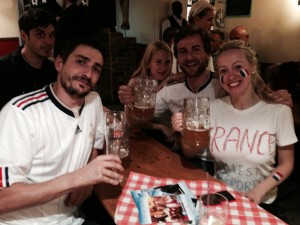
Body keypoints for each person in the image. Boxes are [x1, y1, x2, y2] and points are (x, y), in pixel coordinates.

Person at [119, 25, 293, 174]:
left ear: (208, 54)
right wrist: (130, 102)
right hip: (190, 159)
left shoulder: (227, 83)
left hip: (229, 164)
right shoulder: (170, 90)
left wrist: (277, 99)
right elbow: (135, 121)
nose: (189, 57)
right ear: (177, 59)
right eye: (183, 52)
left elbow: (258, 97)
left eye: (196, 49)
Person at [0, 37, 124, 224]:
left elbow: (94, 147)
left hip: (73, 217)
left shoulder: (94, 101)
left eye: (96, 69)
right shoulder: (20, 113)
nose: (88, 73)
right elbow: (3, 199)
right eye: (81, 62)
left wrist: (88, 183)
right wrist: (79, 178)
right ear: (59, 63)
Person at [172, 40, 297, 210]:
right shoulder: (212, 108)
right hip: (221, 198)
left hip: (262, 202)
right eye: (223, 70)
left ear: (253, 66)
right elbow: (190, 152)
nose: (231, 76)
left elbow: (287, 163)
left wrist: (260, 190)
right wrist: (184, 131)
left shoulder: (279, 111)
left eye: (238, 67)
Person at [119, 41, 176, 146]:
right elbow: (130, 122)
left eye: (167, 62)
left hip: (167, 137)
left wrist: (168, 79)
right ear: (148, 63)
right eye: (158, 62)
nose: (163, 68)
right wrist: (160, 127)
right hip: (140, 134)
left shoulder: (171, 82)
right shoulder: (136, 83)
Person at [0, 8, 57, 109]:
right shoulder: (3, 69)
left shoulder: (54, 71)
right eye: (40, 34)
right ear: (24, 35)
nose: (49, 41)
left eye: (51, 35)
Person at [188, 0, 215, 71]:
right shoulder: (181, 42)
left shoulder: (206, 40)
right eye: (209, 20)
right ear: (196, 19)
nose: (213, 24)